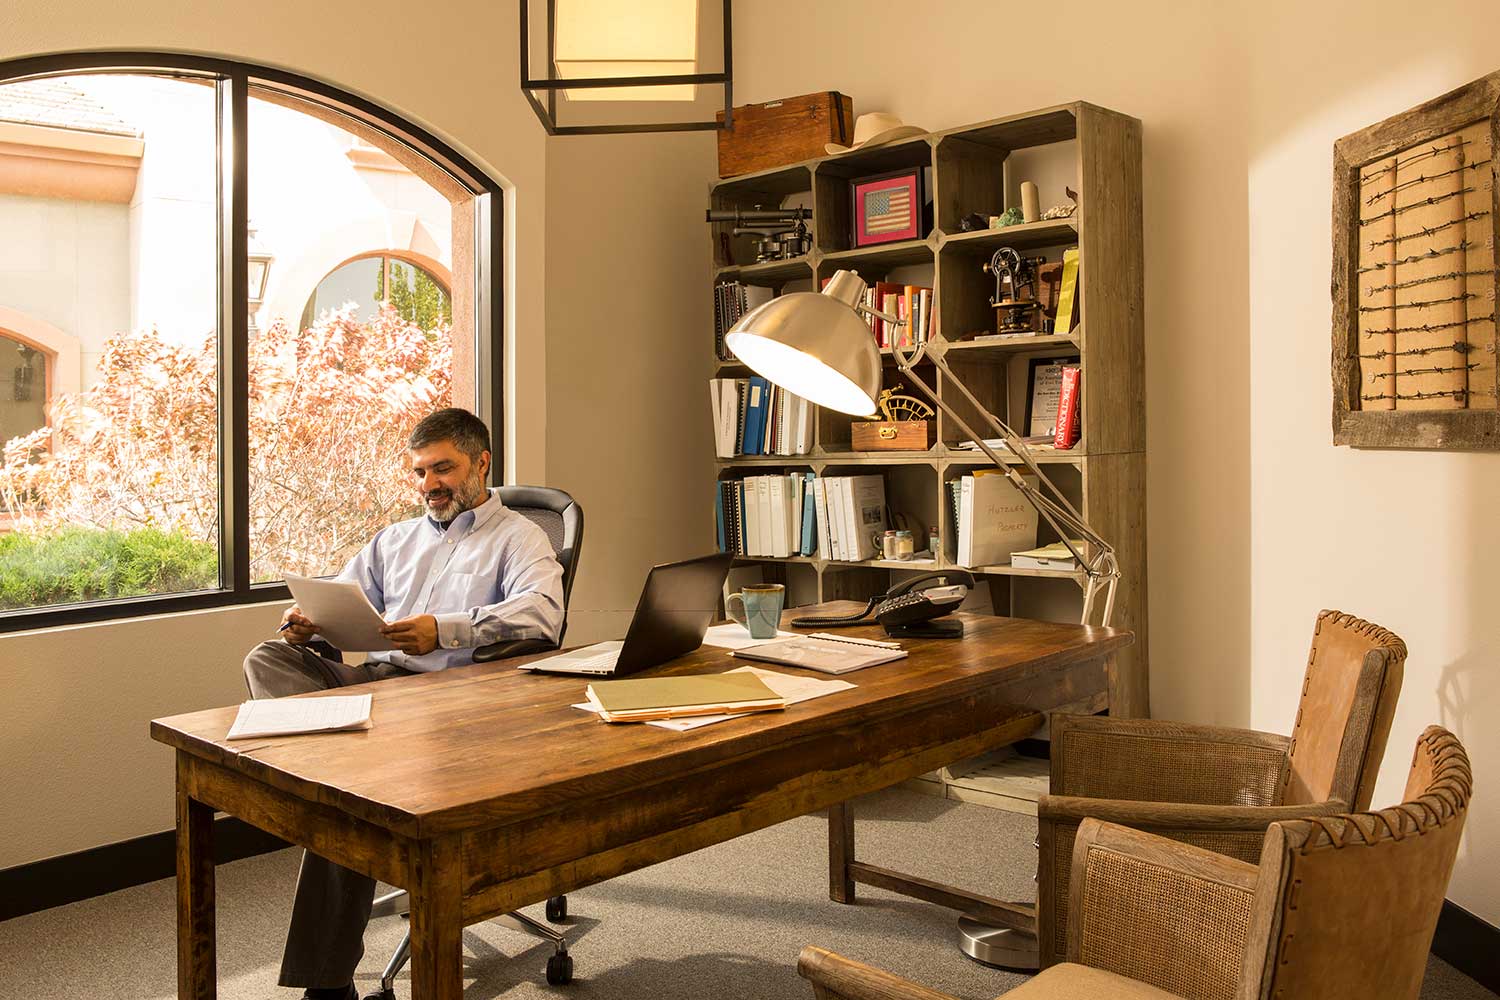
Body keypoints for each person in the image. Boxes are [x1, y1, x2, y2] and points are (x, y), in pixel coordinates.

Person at [242, 407, 564, 1000]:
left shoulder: (519, 537)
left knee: (343, 813)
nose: (429, 484)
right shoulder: (395, 539)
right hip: (382, 687)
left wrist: (444, 630)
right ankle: (339, 772)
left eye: (443, 469)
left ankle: (328, 979)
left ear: (482, 463)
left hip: (455, 701)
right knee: (268, 657)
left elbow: (542, 614)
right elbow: (344, 601)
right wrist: (308, 623)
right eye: (419, 472)